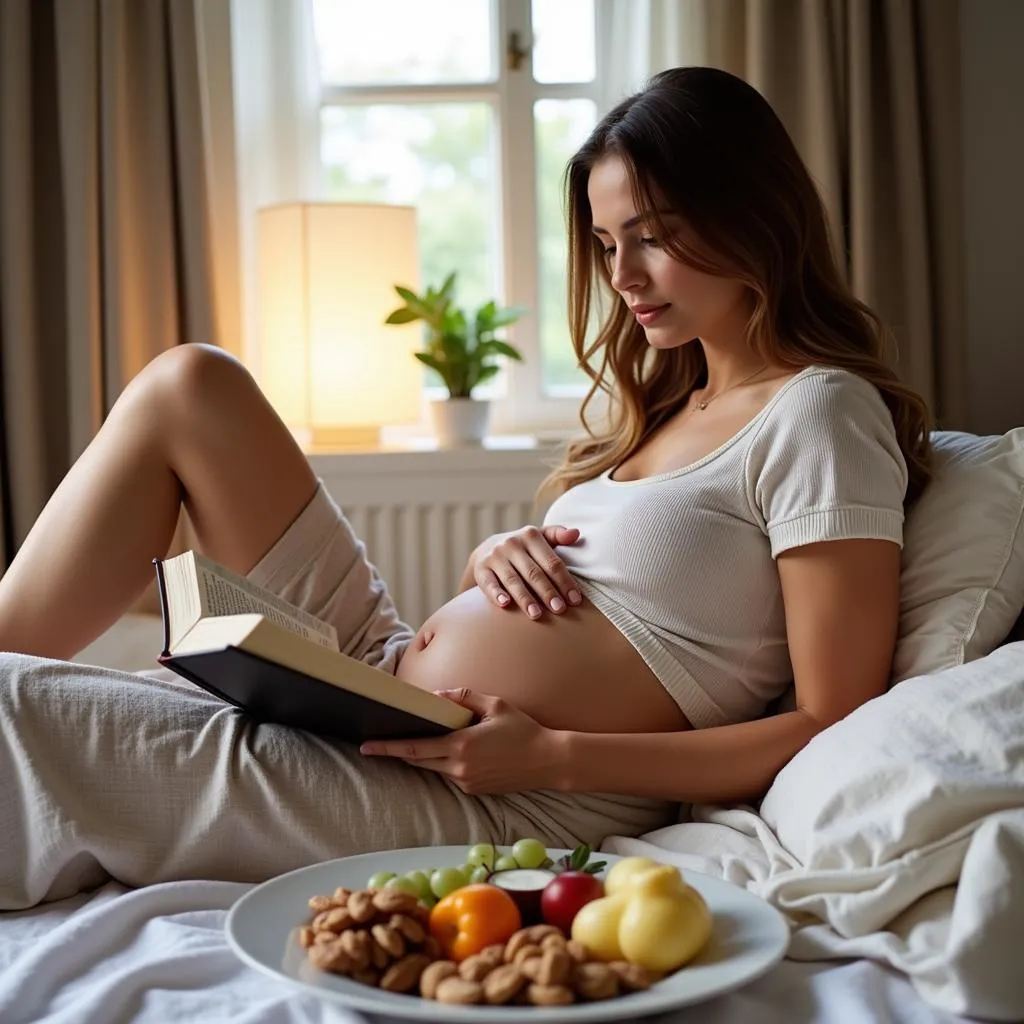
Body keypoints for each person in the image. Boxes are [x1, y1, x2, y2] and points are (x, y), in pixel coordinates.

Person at [0, 66, 931, 908]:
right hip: (383, 680)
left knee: (20, 707)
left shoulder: (820, 413)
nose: (623, 278)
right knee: (190, 387)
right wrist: (494, 556)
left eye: (654, 239)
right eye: (608, 244)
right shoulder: (674, 401)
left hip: (491, 794)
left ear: (753, 215)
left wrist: (556, 758)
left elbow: (830, 718)